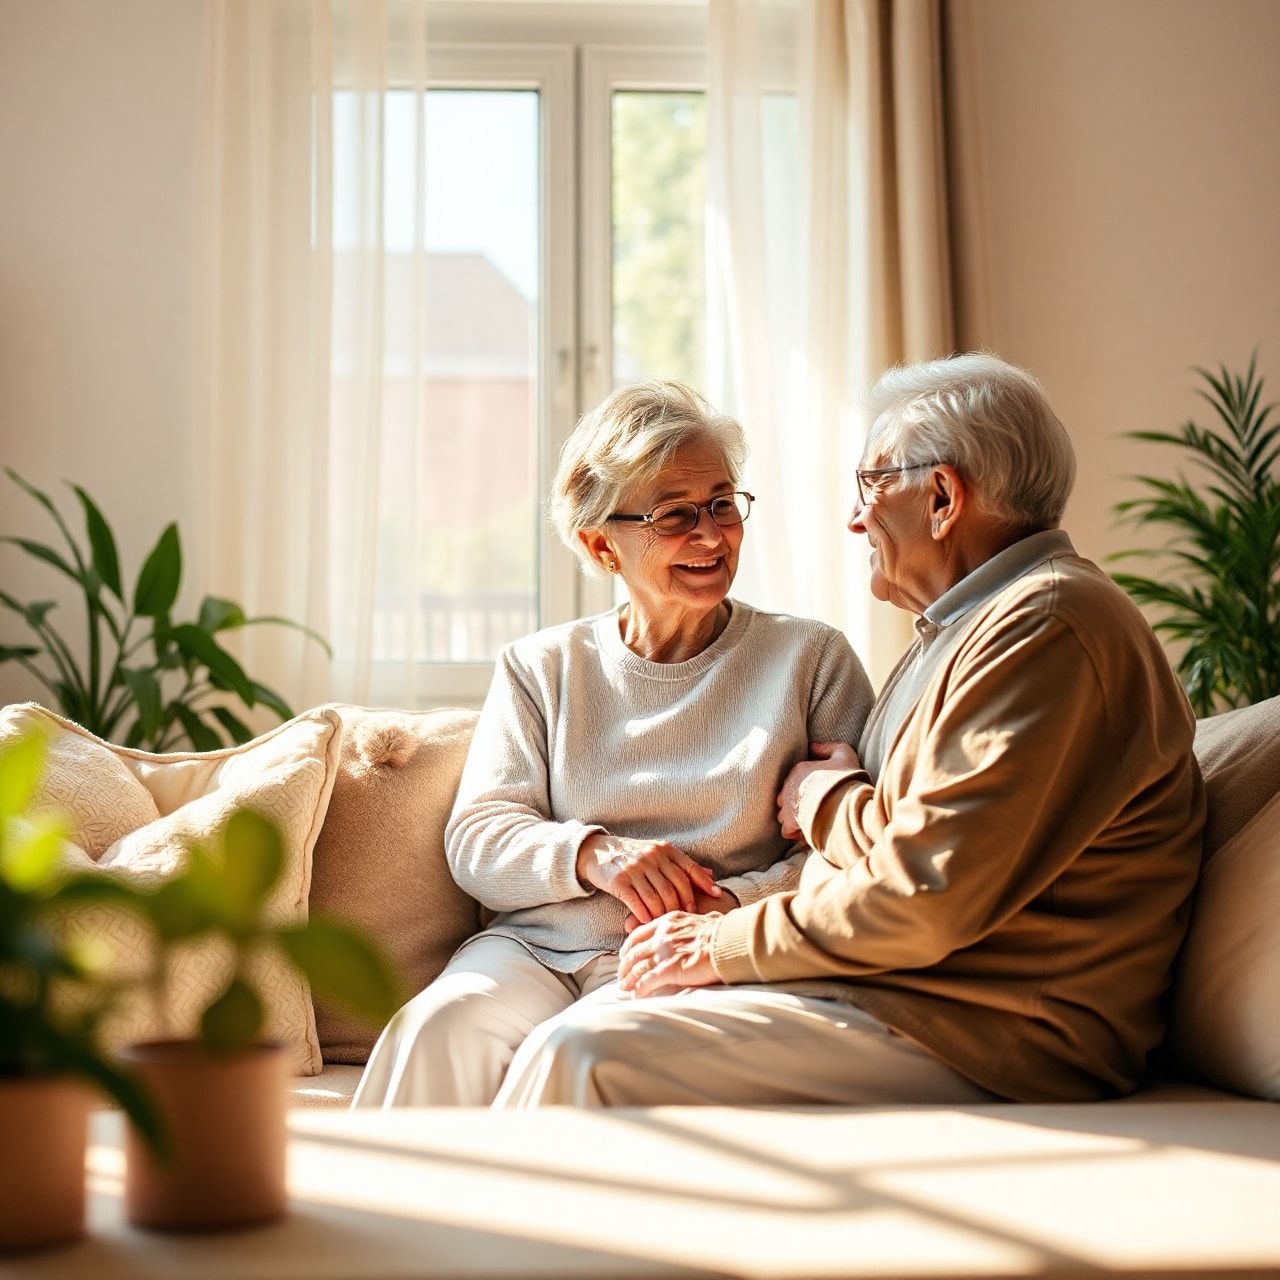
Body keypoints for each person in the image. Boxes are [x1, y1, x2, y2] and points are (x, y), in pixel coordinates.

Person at [492, 352, 1206, 1109]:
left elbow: (925, 895)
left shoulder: (1050, 629)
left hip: (997, 1026)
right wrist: (835, 801)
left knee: (583, 1055)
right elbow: (915, 845)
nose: (856, 517)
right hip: (909, 985)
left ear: (940, 496)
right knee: (572, 1031)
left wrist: (727, 934)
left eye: (871, 485)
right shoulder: (964, 631)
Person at [352, 380, 874, 1106]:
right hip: (535, 949)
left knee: (567, 1057)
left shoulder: (811, 659)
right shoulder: (541, 667)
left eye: (724, 504)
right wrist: (594, 854)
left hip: (686, 953)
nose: (714, 536)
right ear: (602, 544)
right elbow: (478, 838)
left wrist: (728, 905)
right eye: (676, 517)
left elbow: (848, 854)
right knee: (434, 1027)